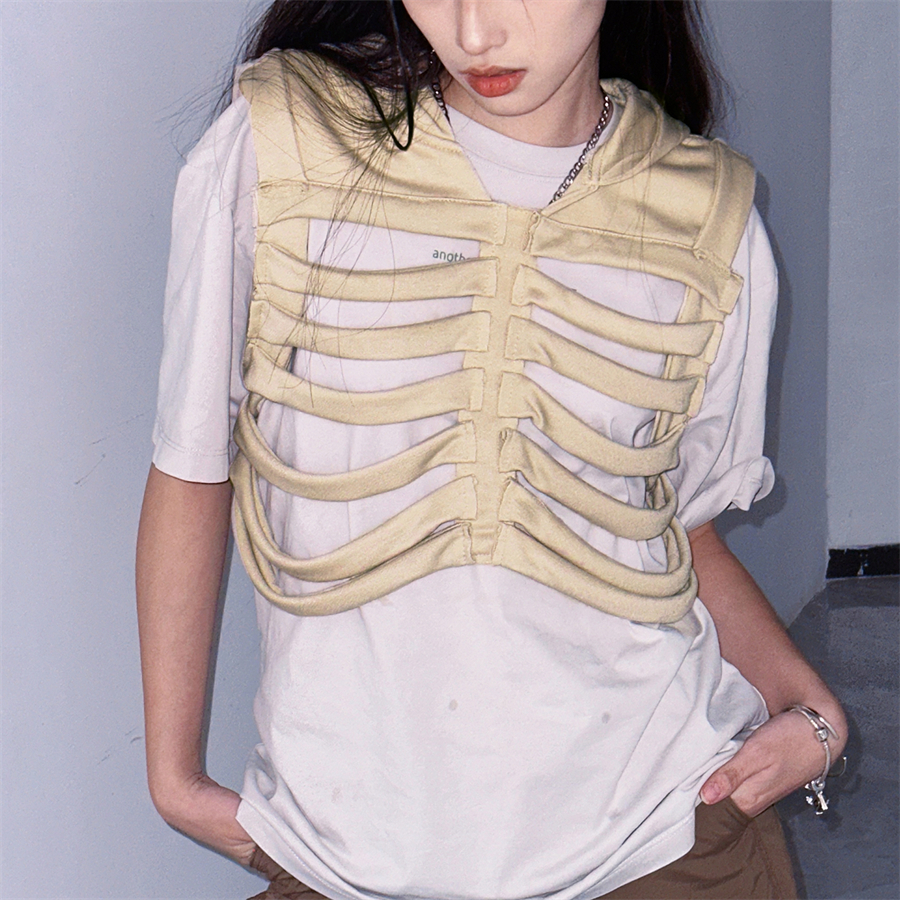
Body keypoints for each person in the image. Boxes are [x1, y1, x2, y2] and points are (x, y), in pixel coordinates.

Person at [136, 2, 847, 898]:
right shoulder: (281, 144)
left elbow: (671, 525)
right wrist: (174, 781)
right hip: (348, 857)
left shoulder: (710, 213)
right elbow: (191, 464)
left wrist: (810, 708)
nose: (474, 33)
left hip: (660, 838)